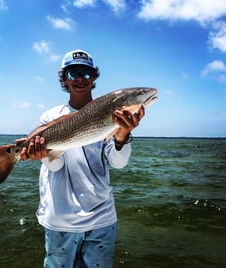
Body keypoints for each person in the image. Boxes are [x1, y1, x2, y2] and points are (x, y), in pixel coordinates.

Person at [20, 49, 145, 268]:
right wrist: (45, 154)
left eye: (86, 73)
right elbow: (56, 166)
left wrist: (122, 135)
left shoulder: (113, 114)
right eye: (72, 73)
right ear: (64, 79)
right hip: (60, 219)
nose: (79, 79)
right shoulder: (50, 117)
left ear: (94, 77)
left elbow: (118, 163)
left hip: (102, 219)